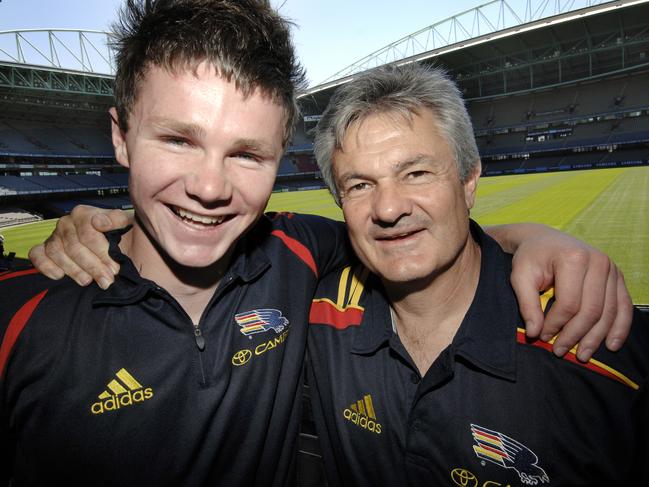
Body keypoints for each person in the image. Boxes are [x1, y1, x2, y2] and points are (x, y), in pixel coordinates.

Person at [13, 0, 632, 484]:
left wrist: (535, 240)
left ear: (281, 159)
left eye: (247, 153)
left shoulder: (299, 251)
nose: (208, 187)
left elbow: (410, 238)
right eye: (178, 140)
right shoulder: (24, 317)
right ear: (121, 137)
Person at [306, 64, 648, 486]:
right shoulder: (317, 317)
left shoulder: (594, 341)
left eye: (416, 173)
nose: (389, 208)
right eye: (359, 185)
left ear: (469, 181)